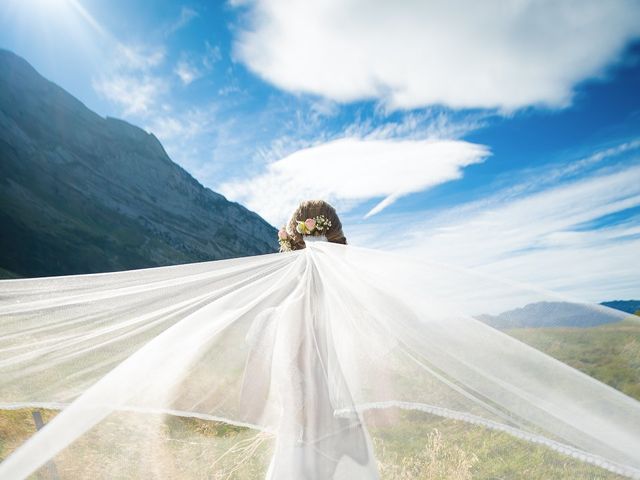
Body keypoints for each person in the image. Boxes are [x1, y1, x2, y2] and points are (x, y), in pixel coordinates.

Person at [0, 199, 639, 479]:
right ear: (335, 242)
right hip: (348, 447)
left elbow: (254, 402)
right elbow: (382, 404)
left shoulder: (273, 315)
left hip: (296, 453)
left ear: (290, 241)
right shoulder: (356, 312)